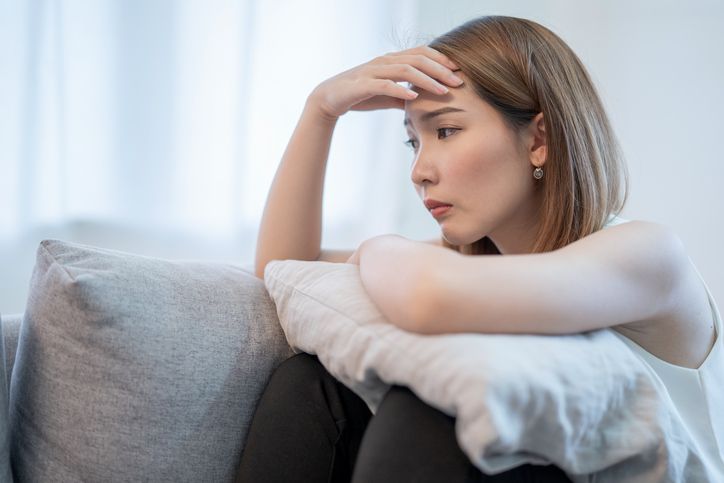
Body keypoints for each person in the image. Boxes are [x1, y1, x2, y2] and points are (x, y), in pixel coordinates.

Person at [238, 14, 723, 483]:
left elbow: (426, 298)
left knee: (433, 410)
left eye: (446, 131)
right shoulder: (467, 261)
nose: (419, 172)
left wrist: (378, 246)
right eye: (413, 142)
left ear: (539, 139)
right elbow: (285, 268)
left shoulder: (649, 256)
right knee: (311, 382)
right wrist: (321, 111)